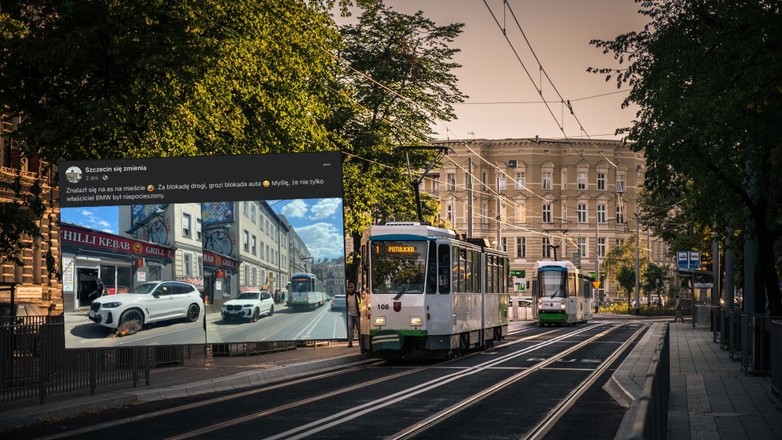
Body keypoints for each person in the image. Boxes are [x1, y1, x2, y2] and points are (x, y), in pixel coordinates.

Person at [346, 282, 360, 348]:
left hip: (357, 314)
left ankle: (361, 341)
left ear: (353, 288)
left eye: (351, 287)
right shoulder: (346, 295)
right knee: (350, 328)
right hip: (350, 314)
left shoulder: (357, 294)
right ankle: (350, 342)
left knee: (359, 328)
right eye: (348, 287)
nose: (350, 288)